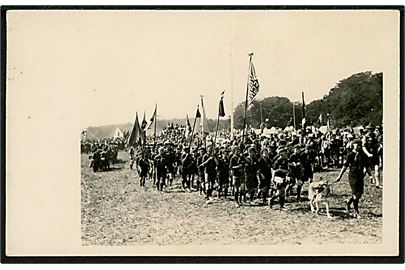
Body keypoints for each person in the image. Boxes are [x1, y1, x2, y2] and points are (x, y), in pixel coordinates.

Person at [335, 139, 374, 218]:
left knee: (359, 195)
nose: (357, 146)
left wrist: (370, 176)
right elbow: (345, 166)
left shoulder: (363, 155)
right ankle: (356, 212)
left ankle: (349, 202)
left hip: (360, 176)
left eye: (358, 145)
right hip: (352, 176)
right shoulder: (350, 155)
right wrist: (339, 176)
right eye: (355, 145)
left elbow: (367, 167)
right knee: (355, 195)